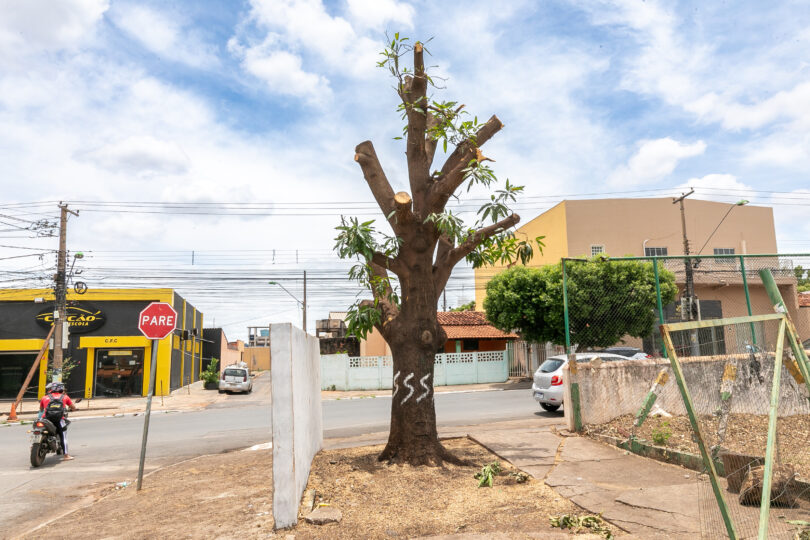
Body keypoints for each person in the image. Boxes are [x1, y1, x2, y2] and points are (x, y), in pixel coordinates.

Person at [39, 382, 76, 461]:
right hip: (59, 420)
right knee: (63, 437)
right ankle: (66, 455)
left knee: (39, 431)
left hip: (45, 419)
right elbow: (73, 407)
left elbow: (41, 409)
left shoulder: (44, 397)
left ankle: (34, 446)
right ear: (61, 389)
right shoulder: (65, 397)